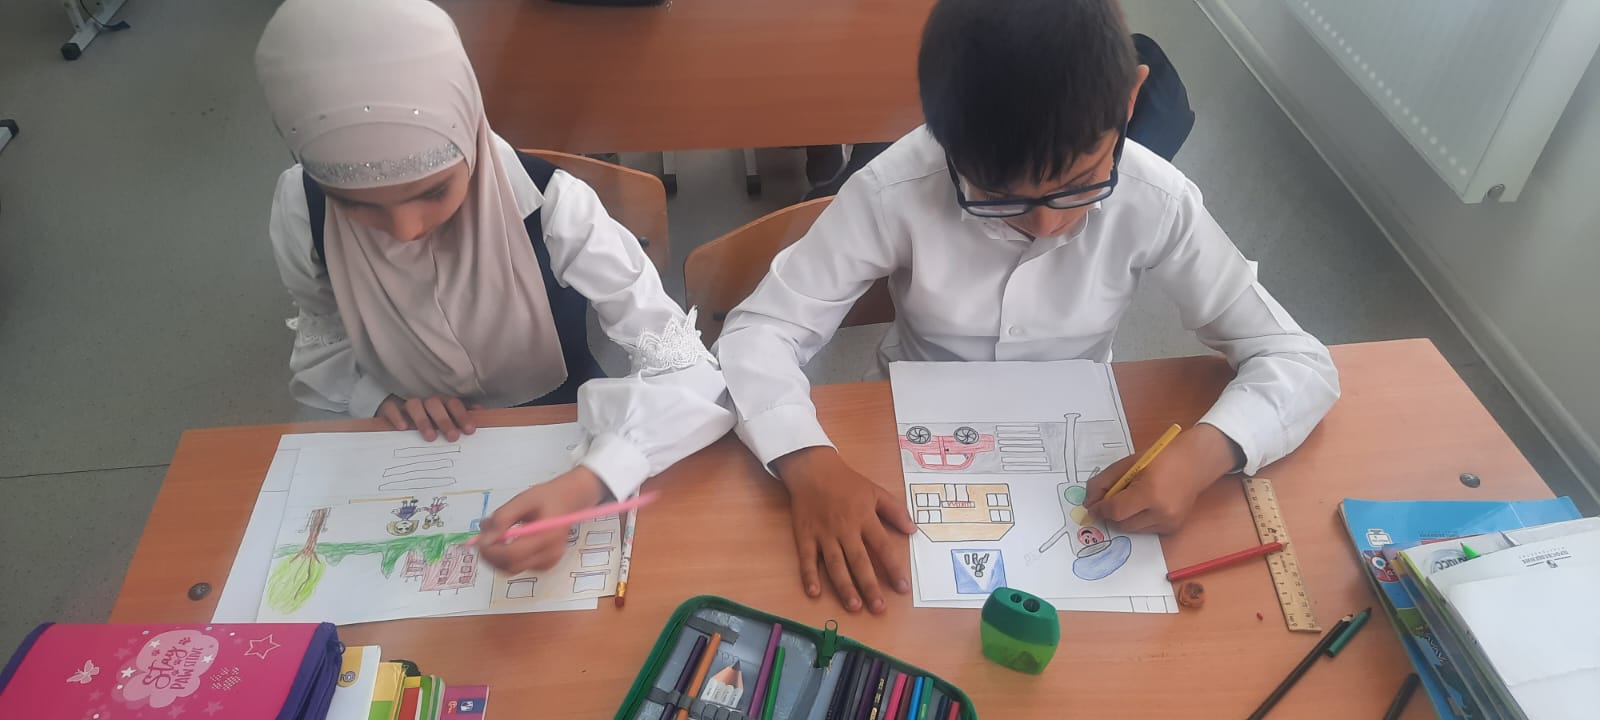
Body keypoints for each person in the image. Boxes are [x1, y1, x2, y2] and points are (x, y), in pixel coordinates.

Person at [715, 0, 1339, 614]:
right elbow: (757, 333)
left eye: (1082, 182)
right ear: (942, 135)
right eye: (997, 196)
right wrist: (808, 461)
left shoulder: (1156, 198)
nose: (1045, 224)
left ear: (1129, 101)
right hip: (907, 446)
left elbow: (1297, 362)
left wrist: (1206, 454)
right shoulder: (894, 189)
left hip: (1079, 453)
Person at [256, 0, 733, 574]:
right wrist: (378, 396)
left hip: (563, 431)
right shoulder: (303, 207)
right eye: (356, 206)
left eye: (433, 192)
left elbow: (689, 368)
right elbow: (324, 336)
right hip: (421, 448)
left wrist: (598, 475)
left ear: (470, 132)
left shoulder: (553, 206)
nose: (405, 231)